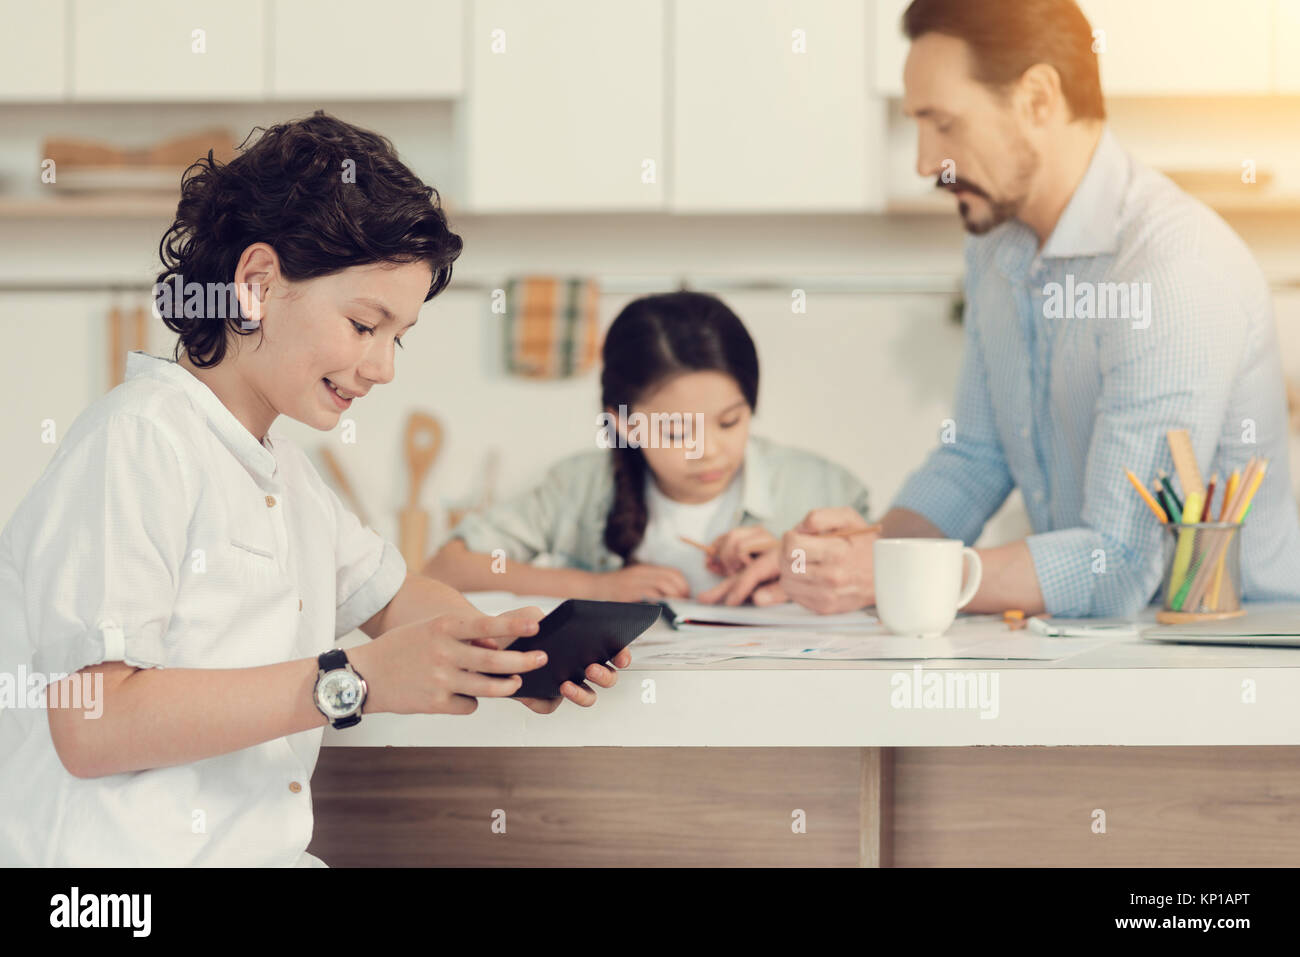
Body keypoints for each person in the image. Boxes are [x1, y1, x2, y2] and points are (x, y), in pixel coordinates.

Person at [0, 112, 628, 866]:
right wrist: (353, 679)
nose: (385, 366)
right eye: (366, 324)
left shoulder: (283, 472)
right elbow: (93, 724)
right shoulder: (138, 439)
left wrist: (509, 652)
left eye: (398, 336)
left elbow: (393, 596)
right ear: (258, 284)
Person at [707, 0, 1300, 617]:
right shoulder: (996, 248)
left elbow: (1118, 562)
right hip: (1102, 646)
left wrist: (891, 579)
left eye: (943, 124)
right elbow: (974, 459)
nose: (922, 162)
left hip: (1230, 652)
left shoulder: (1174, 268)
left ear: (1039, 99)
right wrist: (855, 558)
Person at [424, 291, 872, 603]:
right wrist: (596, 587)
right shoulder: (578, 487)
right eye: (678, 432)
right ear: (624, 425)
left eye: (730, 421)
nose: (708, 450)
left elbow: (892, 577)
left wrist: (795, 566)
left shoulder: (821, 487)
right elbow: (447, 567)